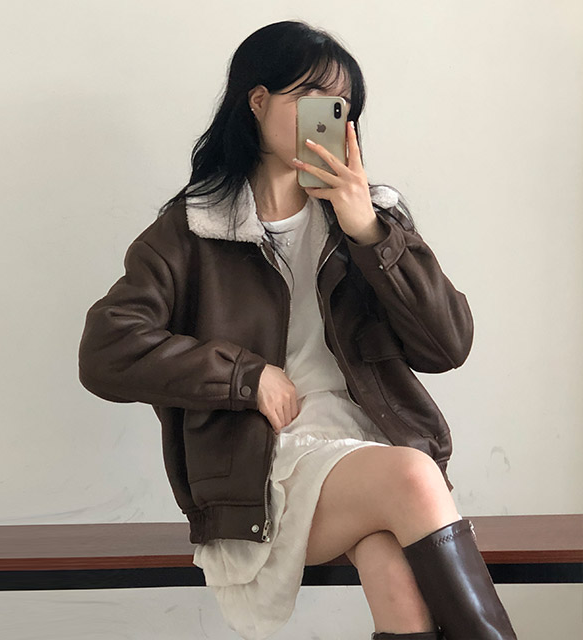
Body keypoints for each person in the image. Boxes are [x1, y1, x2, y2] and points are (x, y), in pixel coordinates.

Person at [78, 19, 518, 640]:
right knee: (414, 475)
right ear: (257, 101)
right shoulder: (193, 229)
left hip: (365, 452)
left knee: (394, 577)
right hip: (265, 474)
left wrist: (369, 233)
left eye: (339, 104)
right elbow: (105, 350)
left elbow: (448, 345)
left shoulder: (370, 219)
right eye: (309, 97)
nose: (327, 116)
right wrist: (245, 376)